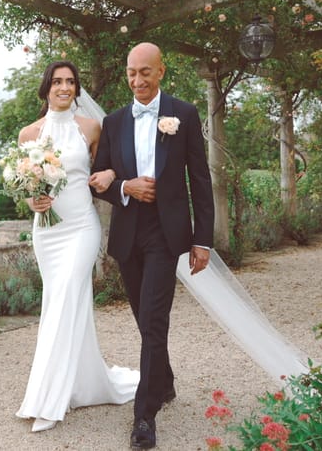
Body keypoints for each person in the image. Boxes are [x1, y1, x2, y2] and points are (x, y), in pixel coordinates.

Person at [88, 42, 214, 449]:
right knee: (145, 318)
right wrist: (126, 185)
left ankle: (144, 417)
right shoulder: (114, 121)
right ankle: (166, 380)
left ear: (161, 71)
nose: (137, 80)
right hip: (128, 233)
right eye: (131, 73)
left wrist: (202, 240)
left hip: (166, 233)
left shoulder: (186, 114)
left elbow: (200, 180)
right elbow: (99, 179)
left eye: (145, 72)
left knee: (155, 319)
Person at [15, 60, 139, 433]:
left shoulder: (91, 127)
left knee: (67, 296)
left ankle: (48, 401)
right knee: (62, 301)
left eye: (70, 82)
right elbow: (25, 186)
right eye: (57, 81)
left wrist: (112, 174)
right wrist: (32, 201)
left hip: (82, 226)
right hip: (47, 231)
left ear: (77, 89)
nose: (64, 87)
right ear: (46, 88)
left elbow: (111, 168)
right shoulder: (28, 134)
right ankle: (81, 382)